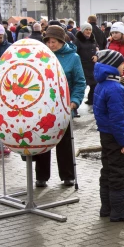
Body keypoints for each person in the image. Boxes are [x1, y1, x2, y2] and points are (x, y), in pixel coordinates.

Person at [32, 26, 86, 187]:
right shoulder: (42, 56)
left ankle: (67, 175)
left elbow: (79, 82)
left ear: (62, 41)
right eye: (47, 41)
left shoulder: (73, 57)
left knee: (64, 143)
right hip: (43, 107)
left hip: (64, 107)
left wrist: (74, 102)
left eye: (53, 41)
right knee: (42, 140)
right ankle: (41, 176)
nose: (50, 44)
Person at [93, 49, 124, 221]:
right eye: (121, 63)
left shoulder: (102, 84)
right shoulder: (115, 88)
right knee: (118, 173)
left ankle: (106, 208)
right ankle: (119, 211)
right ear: (112, 65)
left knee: (107, 170)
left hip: (105, 135)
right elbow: (117, 119)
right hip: (115, 137)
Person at [74, 22, 99, 105]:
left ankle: (91, 101)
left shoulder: (93, 39)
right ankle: (76, 104)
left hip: (92, 66)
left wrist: (96, 55)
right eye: (86, 30)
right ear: (82, 30)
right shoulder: (77, 41)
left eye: (90, 29)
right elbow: (74, 53)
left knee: (94, 85)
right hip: (82, 66)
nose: (88, 31)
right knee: (82, 87)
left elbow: (97, 49)